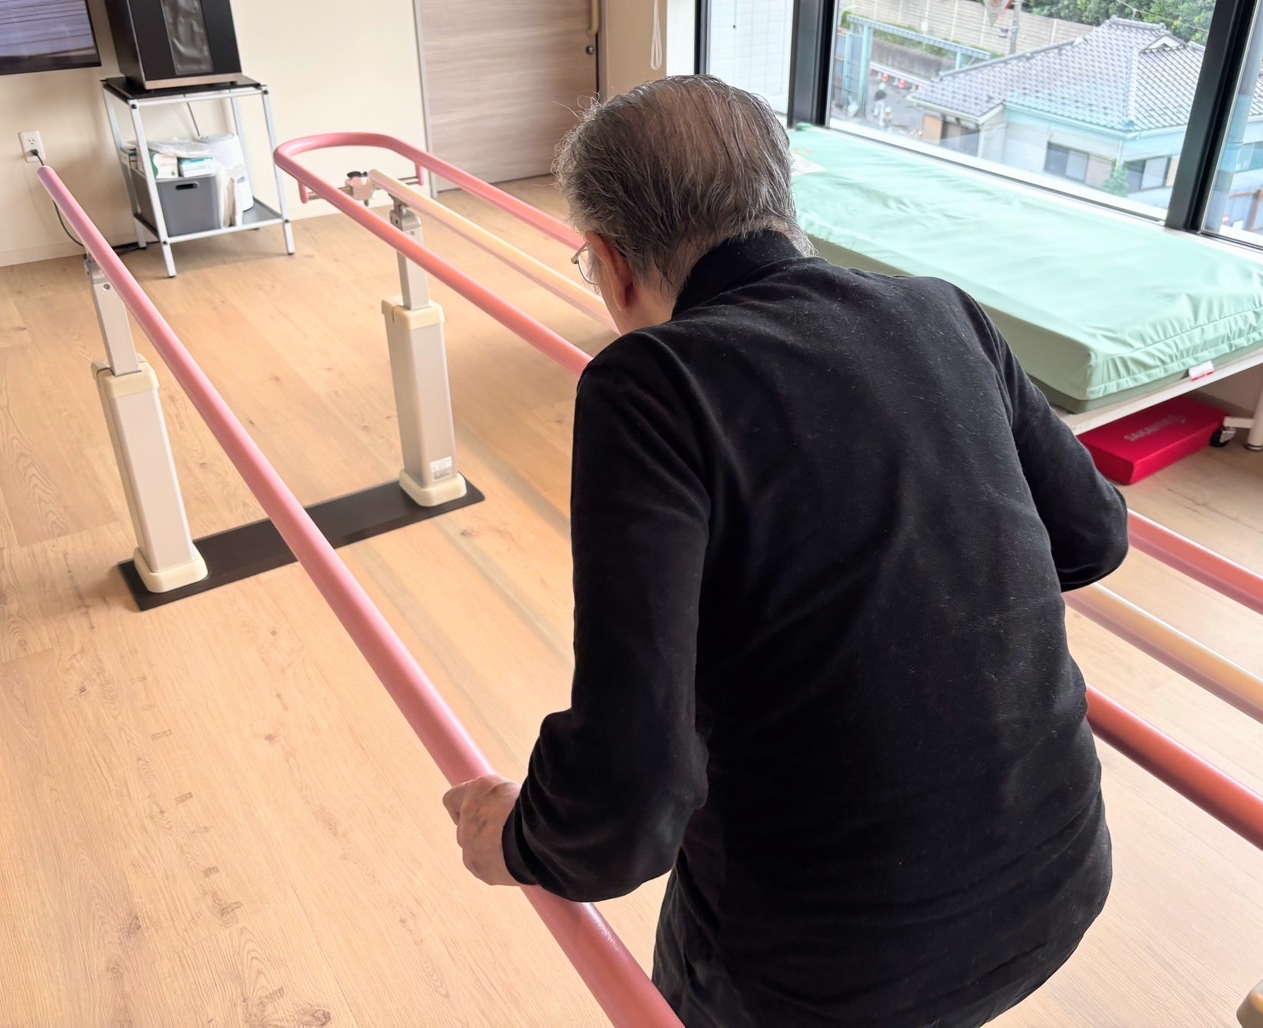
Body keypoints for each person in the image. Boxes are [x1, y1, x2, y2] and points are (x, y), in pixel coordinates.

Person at [443, 75, 1128, 1027]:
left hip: (823, 968)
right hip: (1058, 879)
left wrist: (516, 840)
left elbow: (628, 800)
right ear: (782, 199)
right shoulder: (942, 309)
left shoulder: (651, 383)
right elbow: (1091, 537)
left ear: (610, 263)